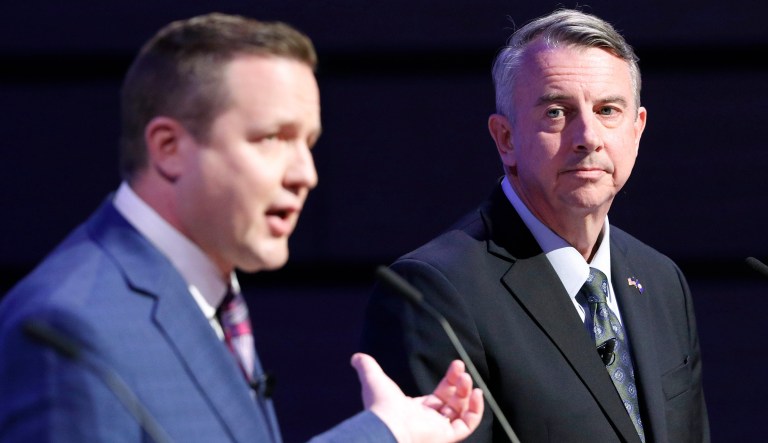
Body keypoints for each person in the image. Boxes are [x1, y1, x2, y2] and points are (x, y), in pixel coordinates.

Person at [0, 13, 484, 443]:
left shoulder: (205, 292)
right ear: (169, 148)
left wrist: (387, 431)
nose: (306, 174)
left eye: (309, 142)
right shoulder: (66, 330)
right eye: (272, 137)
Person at [361, 8, 708, 443]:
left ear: (636, 129)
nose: (588, 136)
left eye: (607, 110)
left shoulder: (661, 279)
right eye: (557, 113)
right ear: (505, 138)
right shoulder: (434, 295)